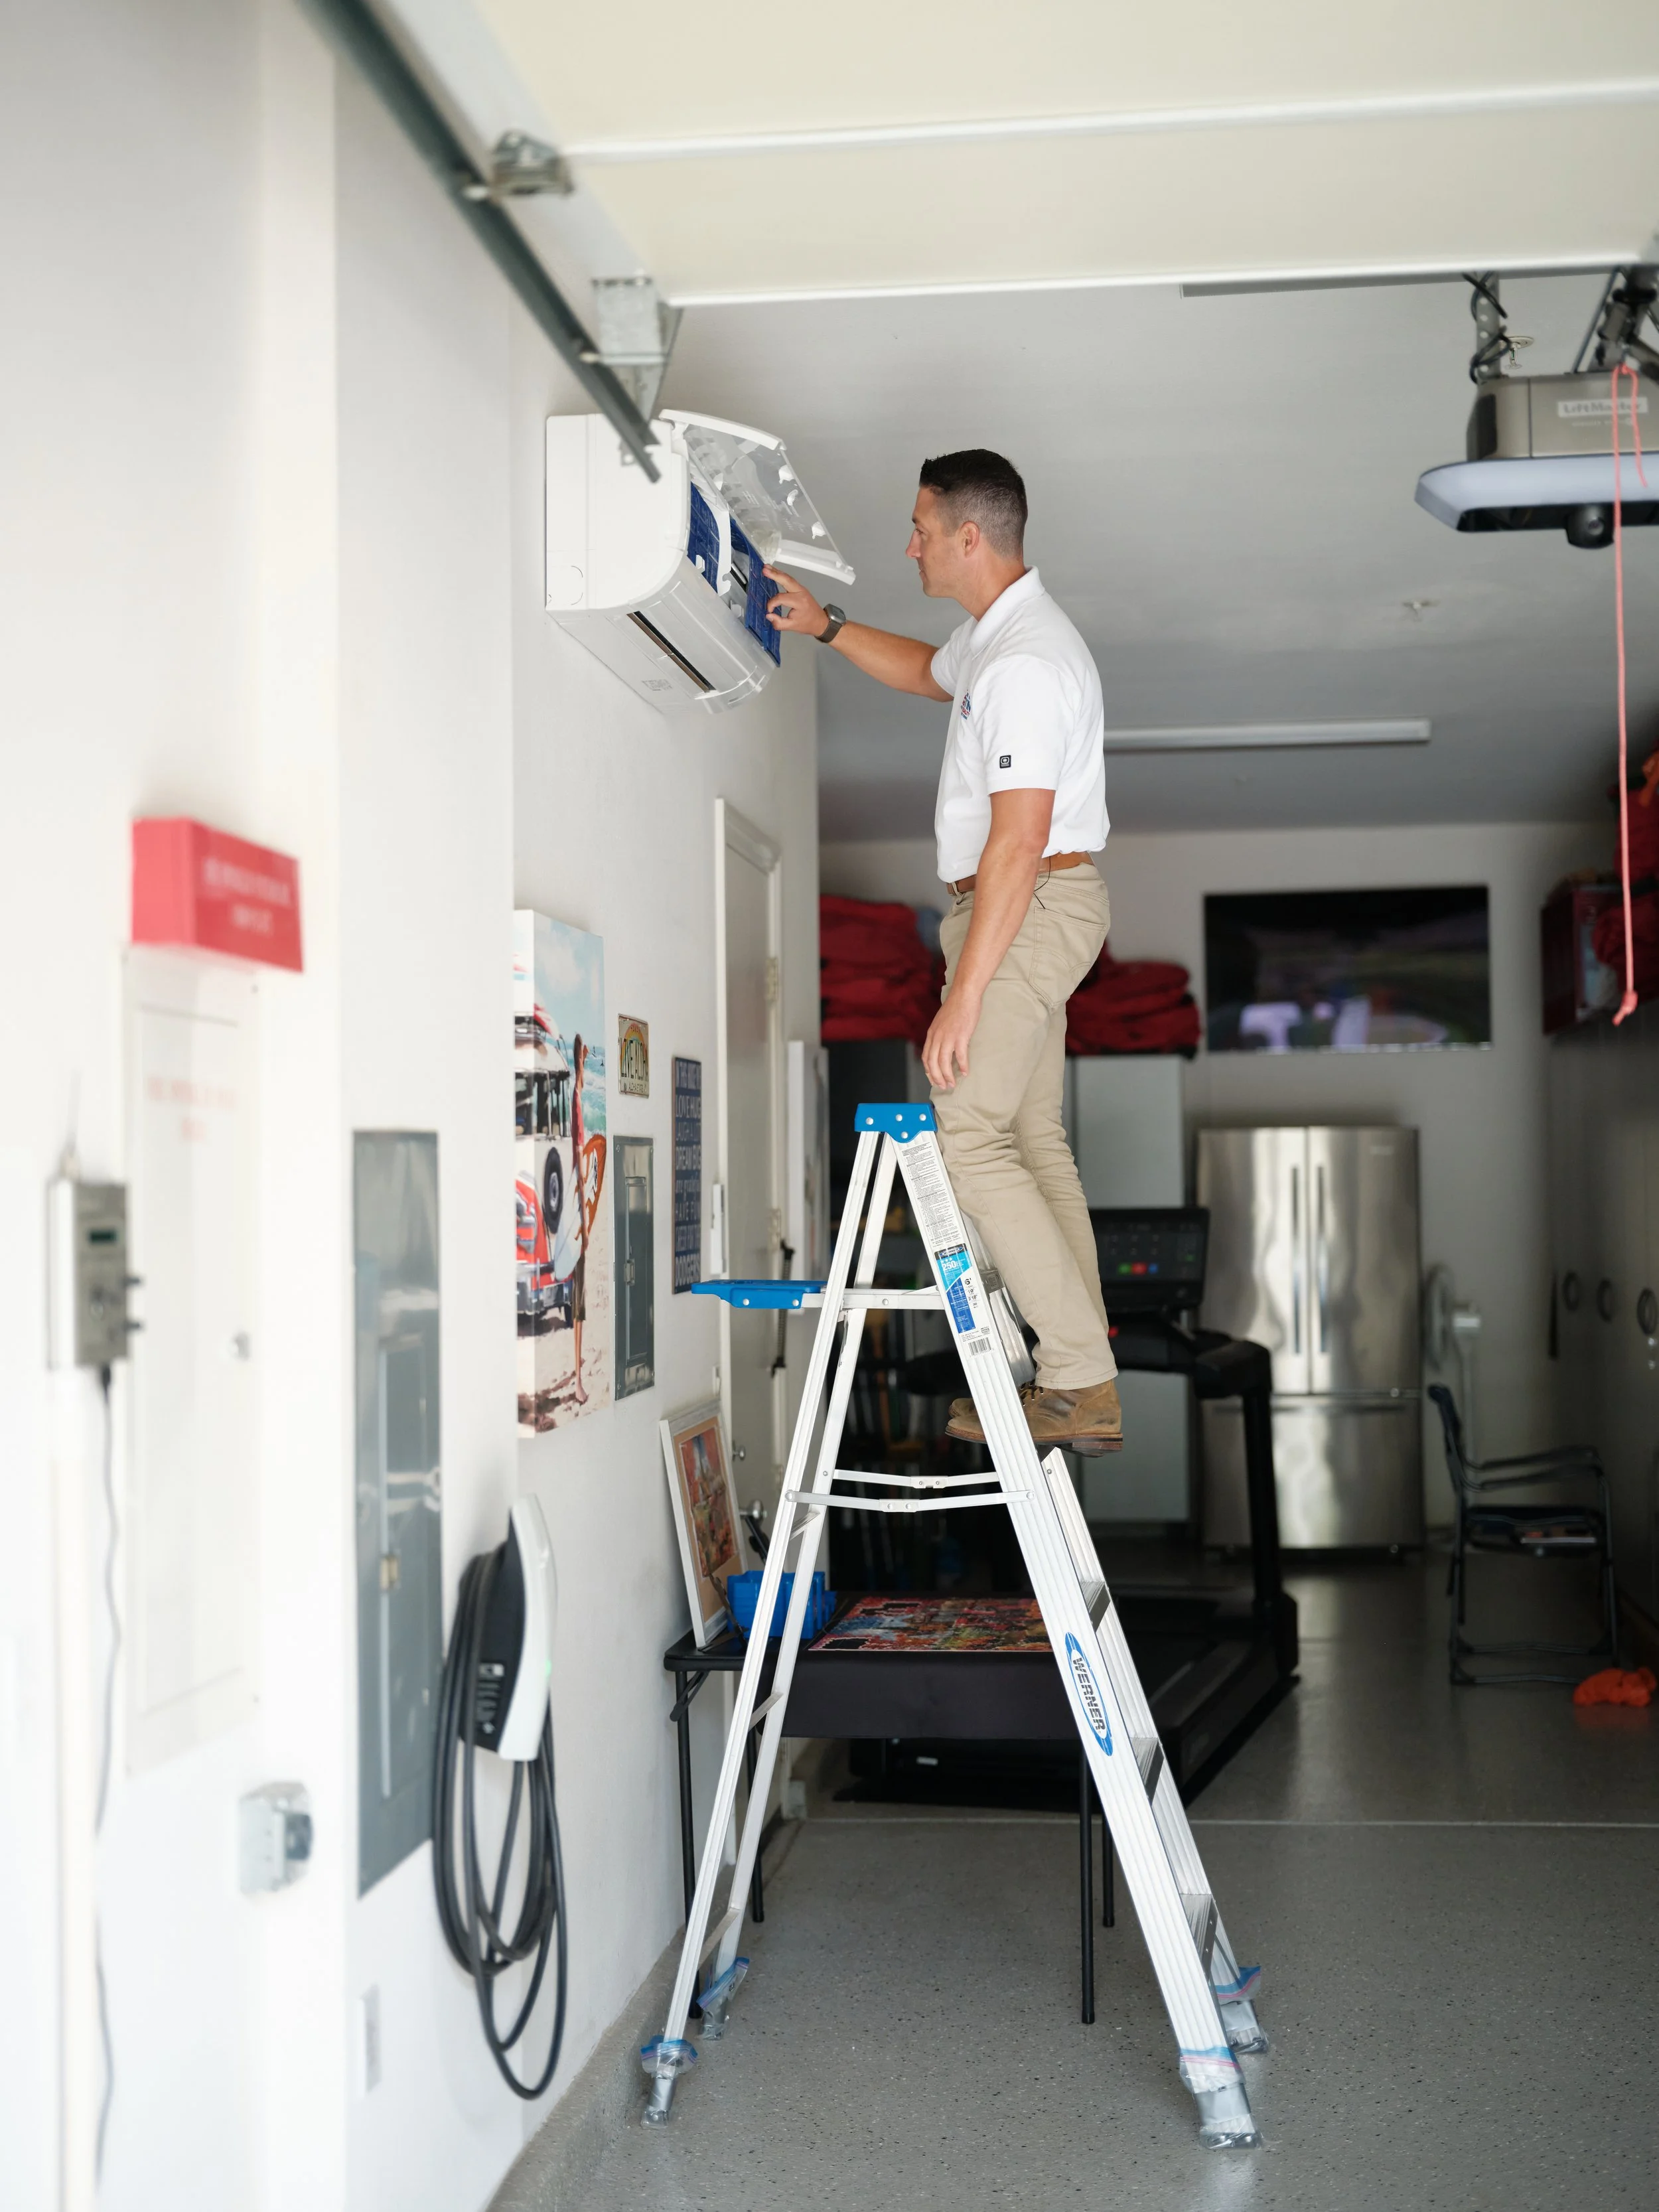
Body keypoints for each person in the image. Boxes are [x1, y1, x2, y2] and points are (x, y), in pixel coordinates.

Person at [765, 450, 1120, 1450]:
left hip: (1028, 898)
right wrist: (826, 626)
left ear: (971, 536)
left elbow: (1016, 842)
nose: (908, 544)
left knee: (967, 1134)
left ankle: (1078, 1375)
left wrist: (960, 997)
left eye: (921, 528)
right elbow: (928, 672)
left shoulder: (1025, 665)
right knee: (1028, 1136)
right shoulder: (994, 642)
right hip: (1036, 899)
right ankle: (1082, 1360)